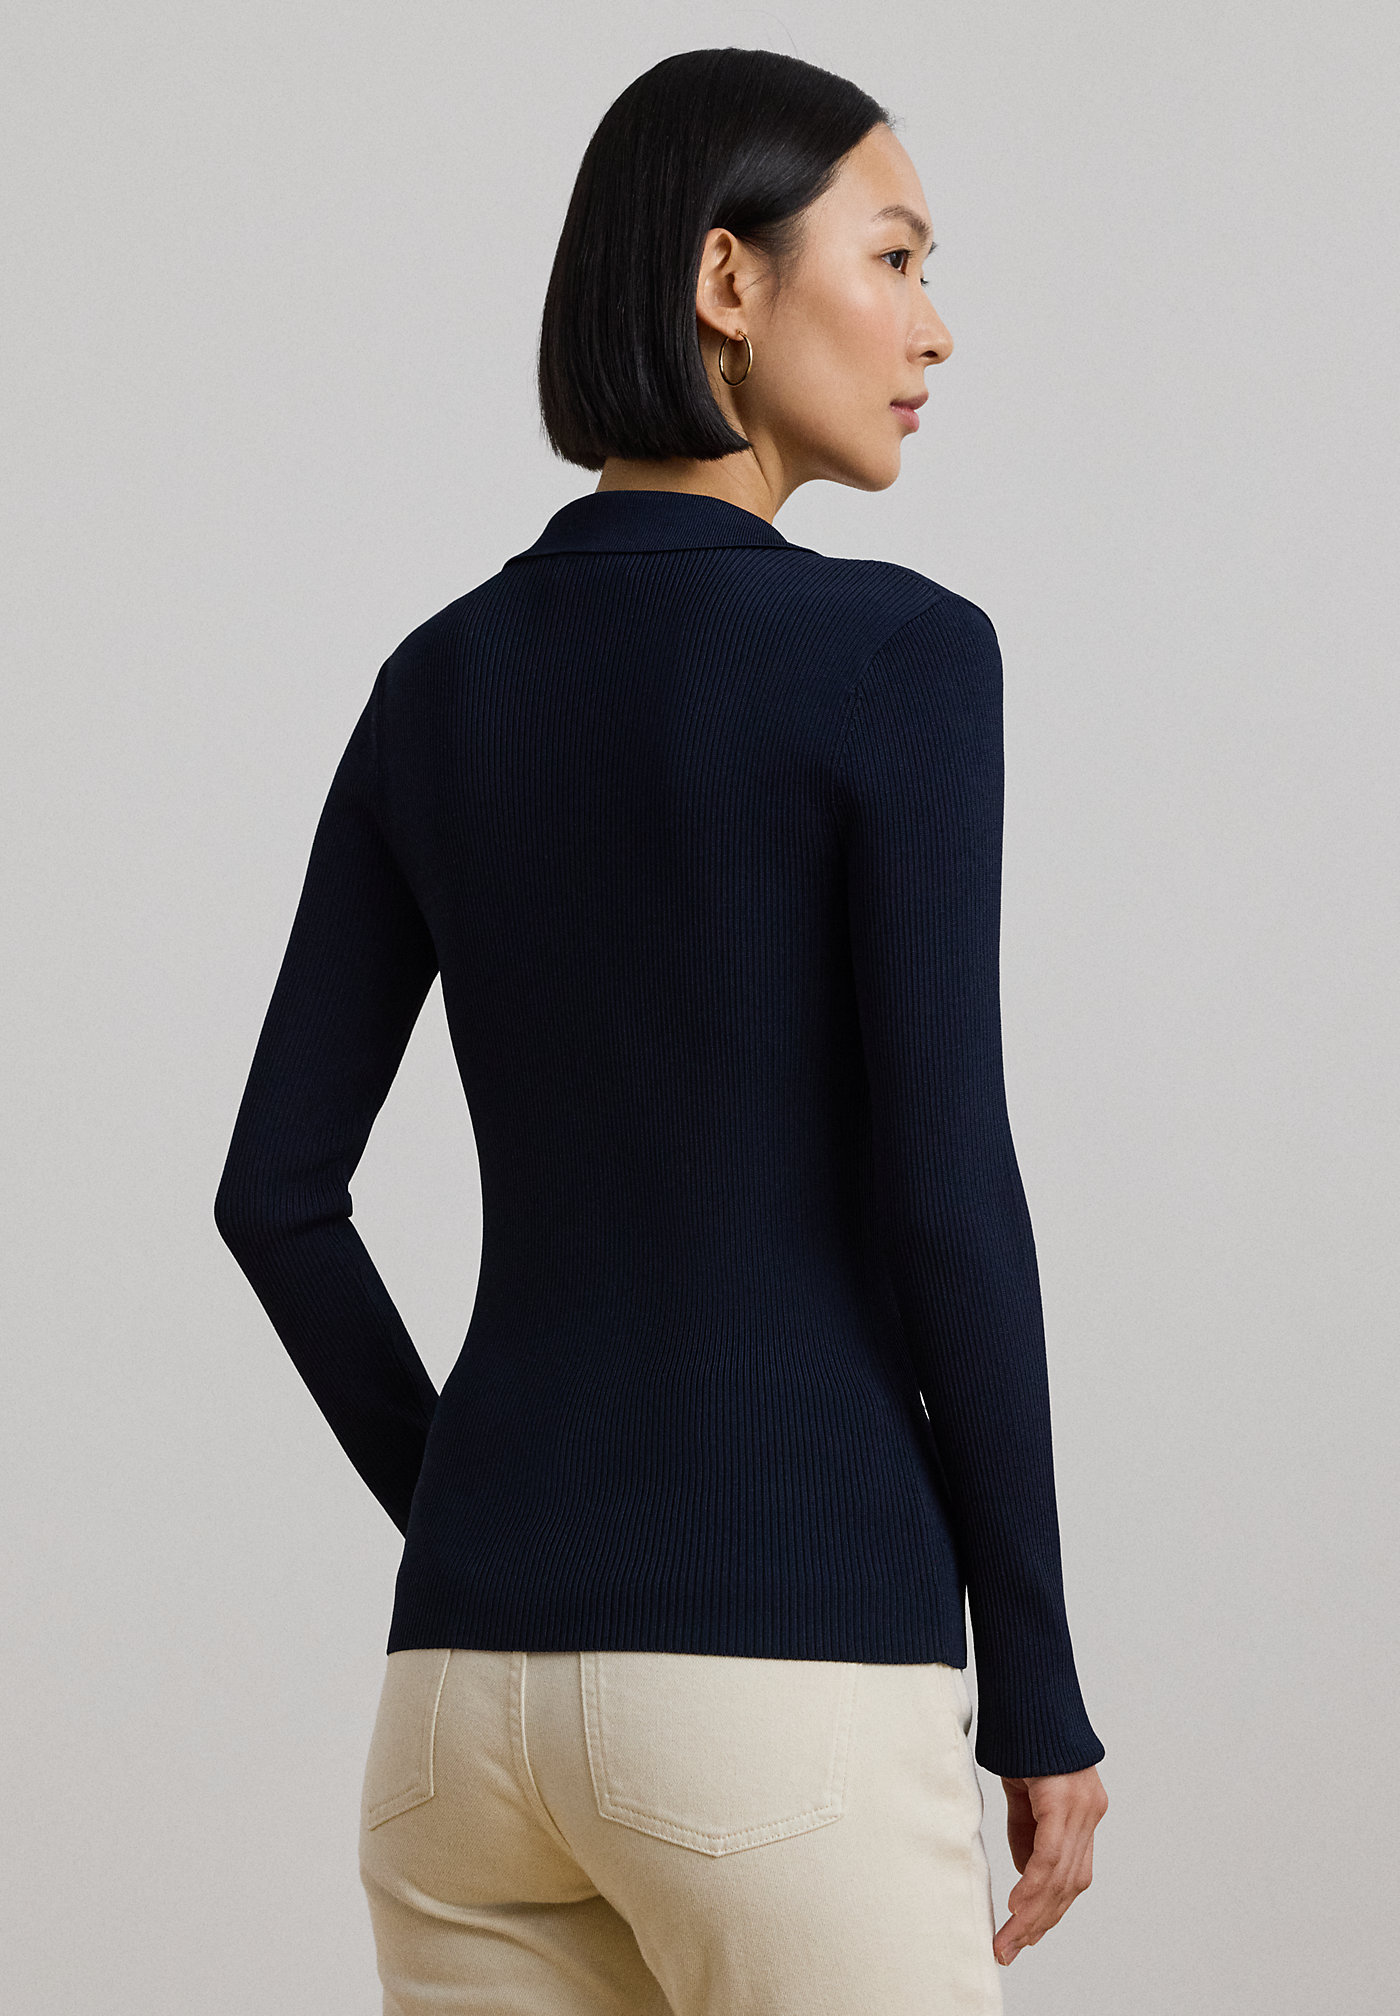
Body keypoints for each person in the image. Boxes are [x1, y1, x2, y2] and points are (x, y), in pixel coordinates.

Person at [214, 44, 1108, 2015]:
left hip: (457, 1715)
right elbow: (948, 1194)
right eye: (894, 257)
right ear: (726, 279)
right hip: (784, 1689)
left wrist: (480, 1513)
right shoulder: (899, 658)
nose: (935, 329)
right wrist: (1037, 1692)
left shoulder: (437, 682)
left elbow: (275, 1196)